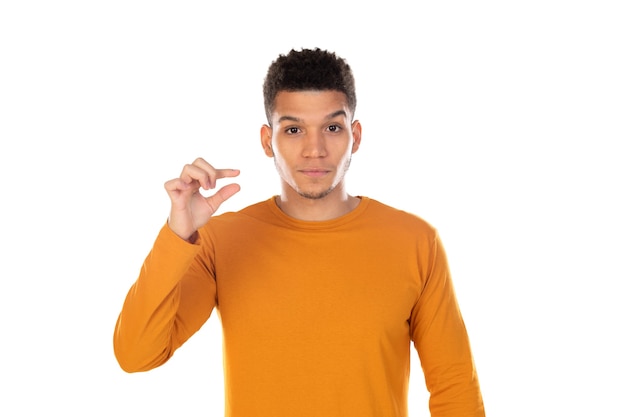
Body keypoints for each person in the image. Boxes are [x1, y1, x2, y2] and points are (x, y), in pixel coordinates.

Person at [113, 47, 485, 417]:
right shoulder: (220, 240)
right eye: (293, 129)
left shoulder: (415, 241)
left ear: (355, 136)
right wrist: (178, 235)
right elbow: (136, 354)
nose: (315, 149)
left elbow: (454, 387)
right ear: (266, 140)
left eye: (332, 128)